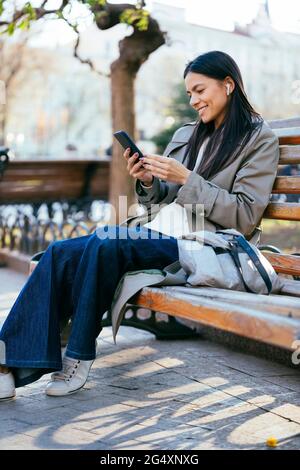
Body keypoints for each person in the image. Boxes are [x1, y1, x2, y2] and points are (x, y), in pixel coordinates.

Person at [0, 51, 279, 401]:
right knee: (57, 253)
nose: (193, 101)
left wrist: (187, 178)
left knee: (105, 242)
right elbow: (164, 201)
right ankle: (7, 365)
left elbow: (245, 214)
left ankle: (78, 356)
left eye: (199, 90)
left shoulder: (258, 139)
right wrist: (149, 183)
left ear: (228, 84)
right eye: (189, 93)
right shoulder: (188, 134)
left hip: (203, 244)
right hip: (160, 230)